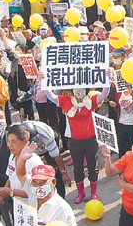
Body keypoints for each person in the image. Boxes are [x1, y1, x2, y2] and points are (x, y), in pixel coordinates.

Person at [40, 72, 110, 203]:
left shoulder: (91, 100)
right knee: (78, 168)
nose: (79, 92)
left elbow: (104, 95)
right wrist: (43, 81)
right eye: (76, 89)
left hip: (91, 139)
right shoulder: (67, 101)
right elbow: (52, 97)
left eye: (82, 89)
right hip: (75, 141)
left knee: (92, 166)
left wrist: (108, 79)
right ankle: (81, 192)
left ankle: (93, 192)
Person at [16, 143, 78, 226]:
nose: (38, 186)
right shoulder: (32, 192)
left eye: (43, 182)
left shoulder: (61, 207)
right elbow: (21, 173)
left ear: (53, 182)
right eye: (35, 182)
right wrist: (22, 159)